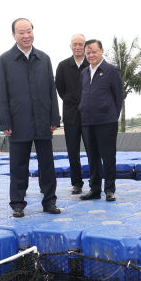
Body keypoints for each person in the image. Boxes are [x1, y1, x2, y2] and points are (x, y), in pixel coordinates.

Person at [0, 18, 62, 217]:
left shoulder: (44, 58)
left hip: (43, 121)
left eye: (29, 31)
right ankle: (17, 203)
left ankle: (49, 201)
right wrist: (4, 121)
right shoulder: (5, 60)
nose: (26, 35)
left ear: (33, 32)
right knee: (18, 166)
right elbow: (1, 93)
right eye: (21, 32)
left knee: (47, 165)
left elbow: (51, 90)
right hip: (17, 122)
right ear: (14, 35)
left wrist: (54, 118)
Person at [78, 39, 123, 202]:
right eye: (88, 52)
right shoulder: (84, 72)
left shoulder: (111, 70)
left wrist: (112, 115)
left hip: (106, 121)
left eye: (94, 51)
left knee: (108, 156)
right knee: (92, 156)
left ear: (102, 51)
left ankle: (109, 189)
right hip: (87, 121)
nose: (91, 55)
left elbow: (118, 96)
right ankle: (94, 189)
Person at [55, 34, 89, 195]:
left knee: (93, 151)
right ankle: (77, 183)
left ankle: (95, 182)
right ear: (70, 46)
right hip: (71, 115)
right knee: (72, 152)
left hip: (91, 115)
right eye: (74, 44)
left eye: (80, 44)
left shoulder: (92, 64)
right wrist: (70, 100)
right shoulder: (63, 66)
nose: (77, 47)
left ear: (85, 46)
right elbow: (60, 89)